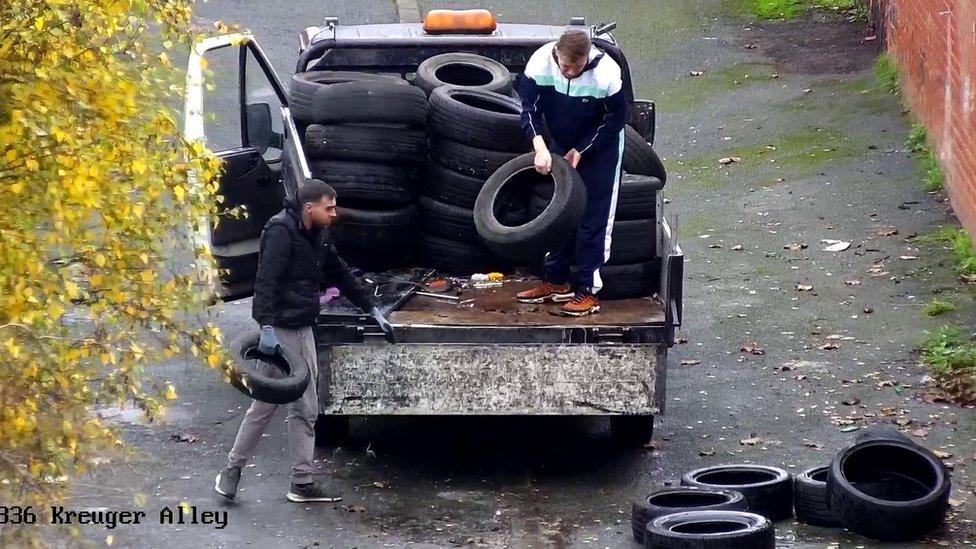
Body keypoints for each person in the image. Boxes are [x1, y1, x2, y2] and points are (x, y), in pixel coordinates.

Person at [215, 179, 395, 503]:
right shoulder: (280, 231)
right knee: (273, 406)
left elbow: (340, 272)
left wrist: (372, 309)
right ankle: (235, 471)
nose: (335, 213)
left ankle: (297, 481)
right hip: (280, 332)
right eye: (329, 207)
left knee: (300, 407)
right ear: (309, 208)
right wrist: (266, 328)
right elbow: (265, 282)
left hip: (304, 328)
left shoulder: (319, 234)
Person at [514, 29, 628, 316]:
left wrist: (582, 150)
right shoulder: (539, 64)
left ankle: (588, 291)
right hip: (559, 141)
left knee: (593, 219)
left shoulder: (607, 74)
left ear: (587, 58)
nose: (569, 72)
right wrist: (541, 149)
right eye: (565, 66)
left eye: (576, 68)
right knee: (559, 214)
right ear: (556, 55)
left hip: (600, 149)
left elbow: (615, 120)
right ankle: (555, 282)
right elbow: (528, 110)